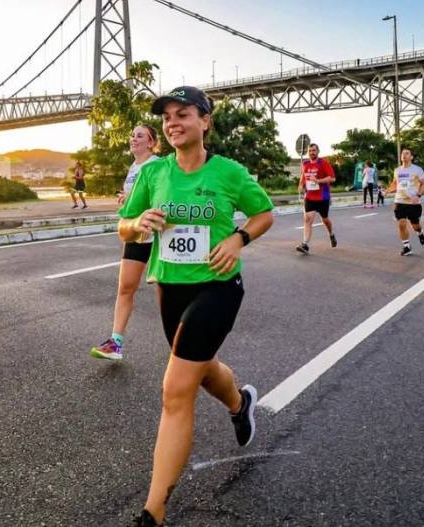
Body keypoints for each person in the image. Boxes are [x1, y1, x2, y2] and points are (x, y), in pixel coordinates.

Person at [118, 86, 274, 527]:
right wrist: (138, 223)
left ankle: (154, 510)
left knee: (175, 390)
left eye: (183, 114)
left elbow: (263, 214)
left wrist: (238, 238)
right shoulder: (154, 174)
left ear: (205, 121)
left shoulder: (228, 172)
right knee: (200, 369)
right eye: (166, 117)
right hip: (171, 288)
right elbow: (124, 229)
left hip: (218, 288)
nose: (172, 123)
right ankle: (239, 403)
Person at [90, 125, 161, 362]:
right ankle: (115, 343)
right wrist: (126, 199)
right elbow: (136, 198)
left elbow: (161, 196)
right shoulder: (134, 167)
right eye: (132, 135)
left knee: (169, 295)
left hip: (159, 234)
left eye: (140, 136)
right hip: (136, 232)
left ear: (151, 143)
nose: (133, 139)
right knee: (125, 287)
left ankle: (185, 348)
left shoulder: (157, 165)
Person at [386, 148, 424, 256]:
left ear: (411, 157)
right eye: (403, 154)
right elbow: (395, 183)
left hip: (413, 203)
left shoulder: (417, 170)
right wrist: (387, 190)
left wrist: (418, 195)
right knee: (401, 224)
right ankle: (407, 246)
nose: (404, 155)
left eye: (407, 153)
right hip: (399, 201)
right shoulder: (397, 170)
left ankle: (419, 232)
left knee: (415, 225)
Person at [296, 143, 337, 254]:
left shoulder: (323, 163)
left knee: (325, 220)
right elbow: (303, 176)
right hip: (309, 196)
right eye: (310, 151)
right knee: (307, 219)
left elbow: (332, 178)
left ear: (318, 151)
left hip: (323, 197)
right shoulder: (305, 164)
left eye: (314, 150)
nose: (311, 152)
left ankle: (331, 234)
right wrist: (300, 185)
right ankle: (305, 244)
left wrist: (318, 181)